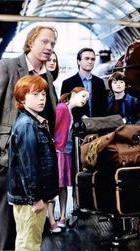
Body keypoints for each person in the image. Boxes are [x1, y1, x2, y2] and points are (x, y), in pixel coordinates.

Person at [0, 25, 58, 251]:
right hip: (6, 161)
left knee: (31, 231)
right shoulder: (7, 67)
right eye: (45, 42)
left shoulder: (47, 76)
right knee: (7, 228)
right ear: (30, 43)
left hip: (36, 167)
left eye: (52, 44)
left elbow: (50, 118)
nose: (49, 48)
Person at [7, 75, 59, 251]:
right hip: (30, 200)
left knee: (26, 241)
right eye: (35, 94)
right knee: (30, 244)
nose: (42, 98)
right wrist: (35, 198)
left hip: (28, 198)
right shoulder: (28, 125)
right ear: (22, 98)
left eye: (43, 94)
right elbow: (28, 167)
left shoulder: (31, 122)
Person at [47, 87, 89, 233]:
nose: (85, 100)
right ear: (74, 94)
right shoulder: (62, 108)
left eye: (87, 98)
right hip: (59, 151)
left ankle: (62, 217)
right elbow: (54, 127)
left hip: (65, 151)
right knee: (55, 185)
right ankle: (52, 219)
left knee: (62, 184)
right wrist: (57, 143)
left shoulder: (68, 110)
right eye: (83, 96)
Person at [61, 47, 107, 121]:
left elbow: (104, 106)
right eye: (86, 58)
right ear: (78, 61)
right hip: (77, 127)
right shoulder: (68, 83)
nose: (90, 61)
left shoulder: (100, 82)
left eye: (93, 59)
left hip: (98, 126)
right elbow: (64, 107)